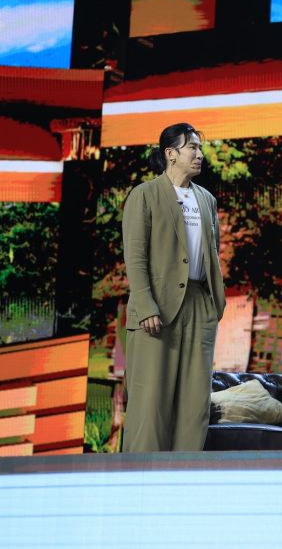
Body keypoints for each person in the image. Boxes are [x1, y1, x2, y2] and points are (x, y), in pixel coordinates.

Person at [122, 122, 226, 452]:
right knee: (149, 405)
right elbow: (135, 256)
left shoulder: (207, 200)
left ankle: (183, 476)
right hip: (156, 309)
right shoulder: (144, 195)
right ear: (171, 154)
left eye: (200, 148)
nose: (199, 154)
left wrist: (214, 306)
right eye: (192, 147)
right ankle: (140, 478)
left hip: (199, 306)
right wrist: (146, 306)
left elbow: (212, 252)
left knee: (194, 406)